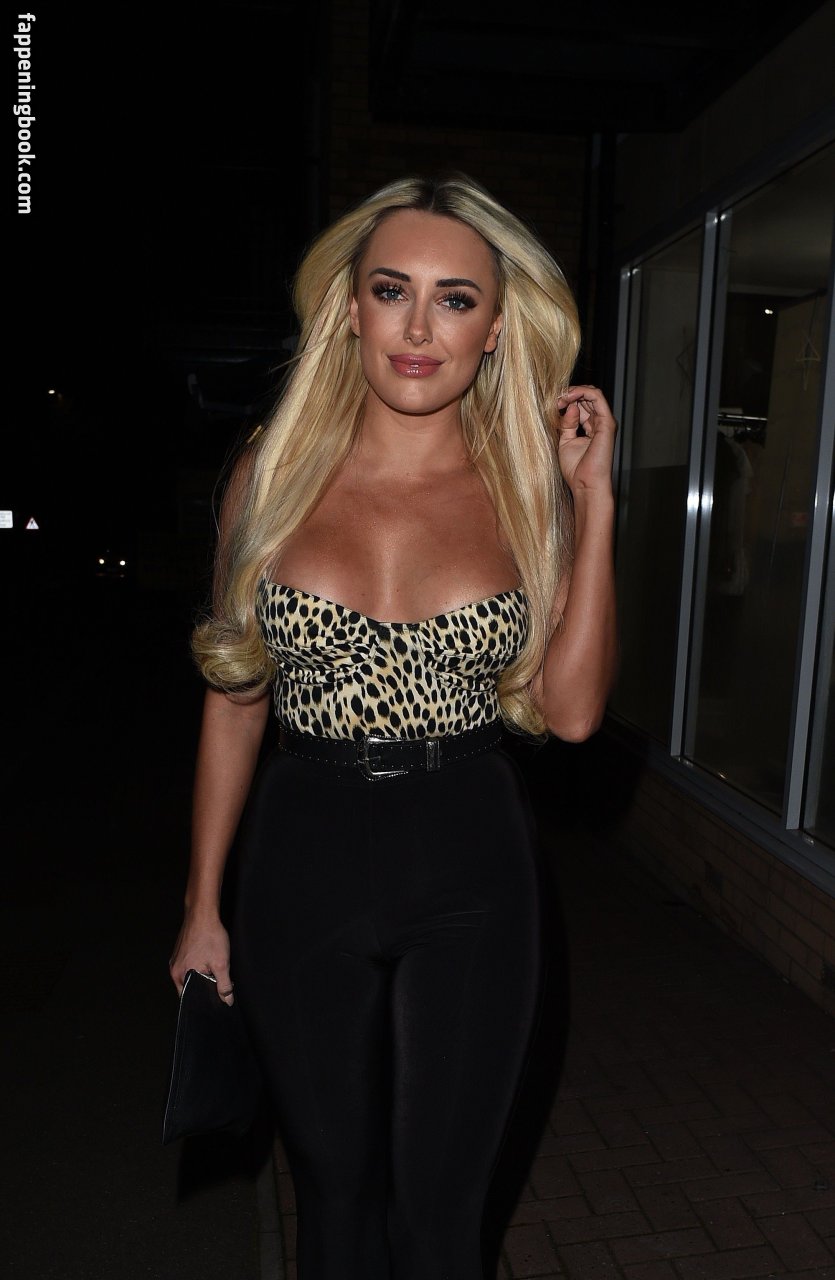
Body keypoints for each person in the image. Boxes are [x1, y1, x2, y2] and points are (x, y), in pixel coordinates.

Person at [169, 172, 617, 1278]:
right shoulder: (271, 475)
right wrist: (200, 907)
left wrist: (594, 502)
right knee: (331, 1204)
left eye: (454, 299)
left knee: (441, 1223)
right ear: (350, 310)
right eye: (391, 290)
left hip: (470, 859)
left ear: (496, 328)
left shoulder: (528, 491)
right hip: (300, 855)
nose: (419, 327)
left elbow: (571, 716)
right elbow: (234, 700)